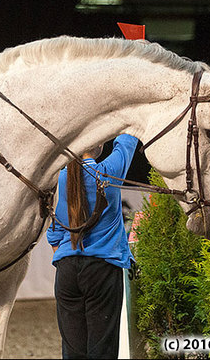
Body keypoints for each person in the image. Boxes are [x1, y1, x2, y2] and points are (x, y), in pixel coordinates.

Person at [47, 133, 140, 359]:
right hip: (102, 270)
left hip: (67, 270)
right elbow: (129, 139)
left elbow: (55, 234)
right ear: (98, 144)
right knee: (103, 350)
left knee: (73, 351)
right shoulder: (109, 170)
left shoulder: (63, 176)